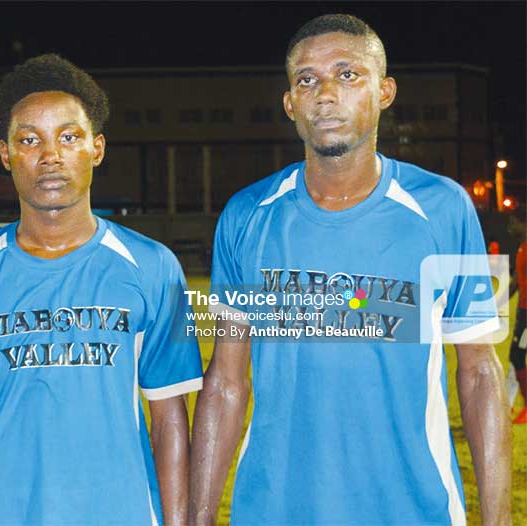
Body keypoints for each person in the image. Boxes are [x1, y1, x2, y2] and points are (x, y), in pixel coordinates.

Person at [190, 14, 510, 526]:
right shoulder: (246, 215)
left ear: (384, 91)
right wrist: (199, 516)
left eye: (347, 74)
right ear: (290, 103)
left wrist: (498, 519)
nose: (325, 93)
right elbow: (226, 382)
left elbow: (479, 373)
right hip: (273, 510)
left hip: (413, 510)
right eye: (307, 79)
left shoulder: (446, 208)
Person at [0, 54, 203, 526]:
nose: (50, 155)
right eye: (30, 139)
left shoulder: (155, 266)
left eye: (69, 137)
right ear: (5, 154)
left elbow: (170, 420)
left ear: (96, 148)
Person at [511, 237, 527, 423]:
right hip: (523, 312)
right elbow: (516, 282)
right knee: (516, 356)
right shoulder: (522, 247)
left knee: (517, 355)